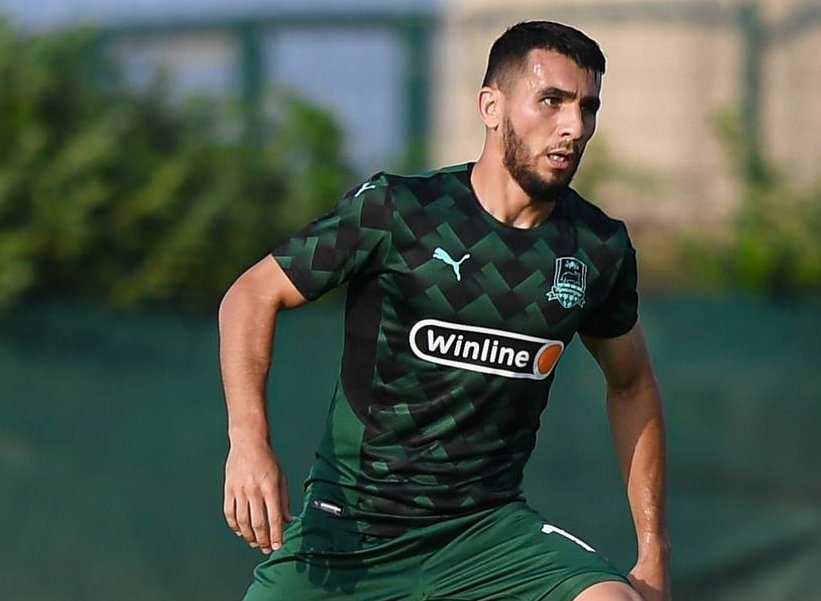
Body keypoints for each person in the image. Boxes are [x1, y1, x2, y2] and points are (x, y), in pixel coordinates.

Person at [218, 20, 670, 601]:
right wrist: (248, 444)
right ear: (491, 106)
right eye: (551, 101)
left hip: (488, 536)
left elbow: (631, 385)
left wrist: (653, 550)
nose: (573, 127)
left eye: (588, 108)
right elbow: (251, 295)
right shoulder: (398, 211)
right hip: (351, 530)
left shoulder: (596, 247)